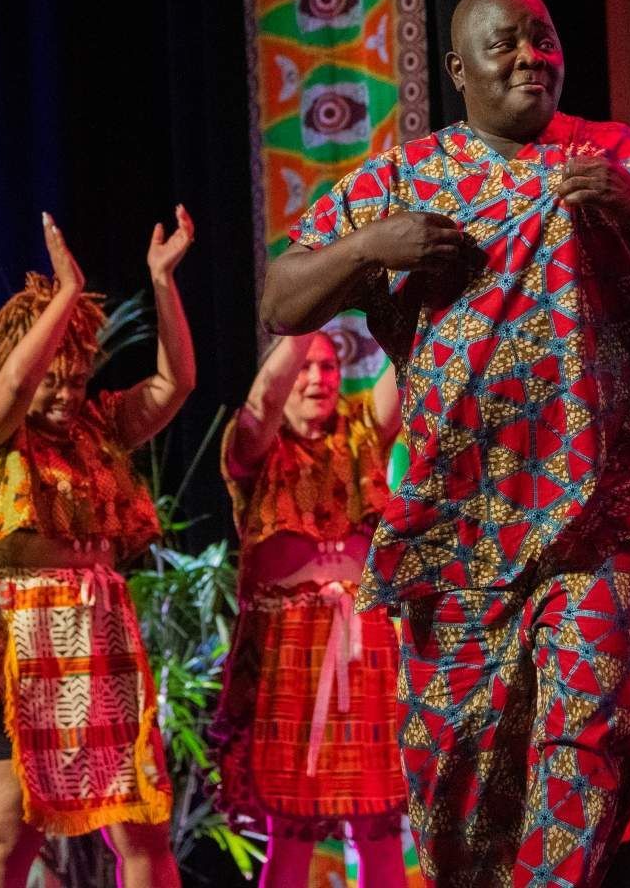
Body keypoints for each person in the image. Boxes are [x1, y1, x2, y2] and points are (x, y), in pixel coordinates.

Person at [260, 0, 630, 887]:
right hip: (456, 526)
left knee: (584, 740)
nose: (530, 58)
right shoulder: (403, 181)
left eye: (544, 41)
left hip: (600, 515)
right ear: (459, 69)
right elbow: (280, 300)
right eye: (506, 45)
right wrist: (365, 249)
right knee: (458, 771)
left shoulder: (618, 160)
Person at [0, 209, 196, 888]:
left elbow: (176, 385)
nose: (69, 392)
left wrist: (163, 281)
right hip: (5, 643)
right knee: (7, 840)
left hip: (97, 642)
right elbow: (14, 386)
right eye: (56, 376)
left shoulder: (99, 428)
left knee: (142, 829)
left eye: (78, 377)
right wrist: (68, 291)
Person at [210, 331, 408, 887]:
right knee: (291, 829)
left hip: (361, 649)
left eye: (328, 367)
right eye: (306, 368)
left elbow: (404, 375)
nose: (318, 379)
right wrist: (305, 312)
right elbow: (263, 400)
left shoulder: (361, 432)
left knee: (379, 825)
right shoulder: (255, 448)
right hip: (284, 653)